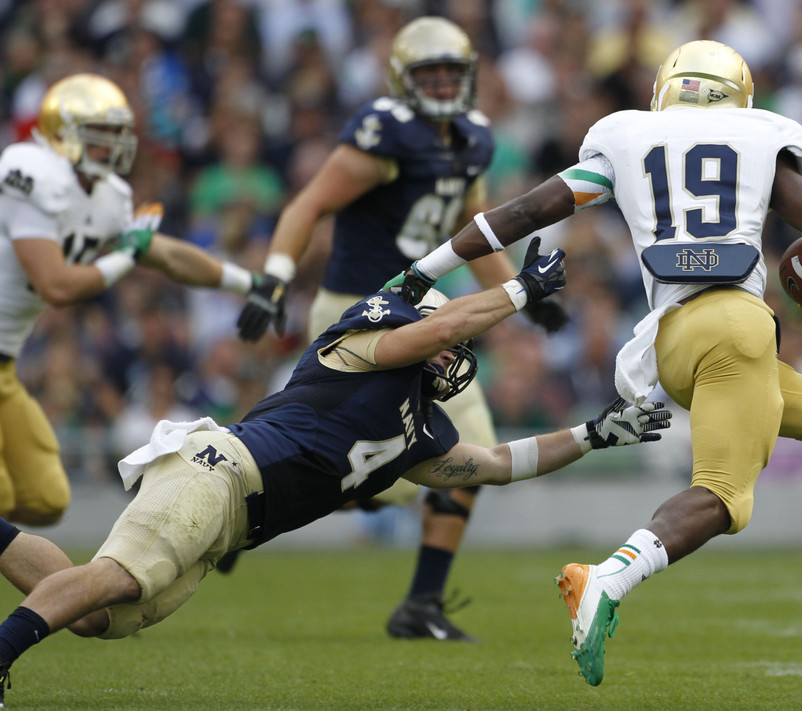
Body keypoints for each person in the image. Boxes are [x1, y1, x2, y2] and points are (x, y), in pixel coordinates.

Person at [392, 40, 802, 685]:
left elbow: (519, 214)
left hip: (674, 339)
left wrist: (418, 274)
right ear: (738, 93)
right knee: (722, 496)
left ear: (668, 87)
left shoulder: (630, 139)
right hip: (736, 327)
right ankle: (606, 579)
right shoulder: (760, 138)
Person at [0, 241, 671, 705]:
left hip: (234, 523)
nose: (453, 356)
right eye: (448, 339)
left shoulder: (422, 431)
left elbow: (497, 463)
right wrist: (519, 288)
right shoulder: (363, 347)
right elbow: (427, 334)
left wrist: (592, 434)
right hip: (219, 472)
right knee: (117, 575)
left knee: (100, 613)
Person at [234, 15, 567, 641]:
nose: (442, 83)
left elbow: (471, 224)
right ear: (402, 77)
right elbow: (309, 204)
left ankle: (417, 600)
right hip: (357, 309)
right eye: (429, 72)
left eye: (452, 71)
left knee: (425, 468)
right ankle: (244, 493)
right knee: (408, 458)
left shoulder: (473, 137)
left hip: (421, 308)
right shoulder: (384, 134)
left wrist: (517, 291)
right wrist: (274, 276)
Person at [0, 73, 269, 528]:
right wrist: (125, 256)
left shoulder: (108, 196)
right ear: (63, 136)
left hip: (5, 363)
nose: (114, 146)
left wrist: (249, 282)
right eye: (101, 136)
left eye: (117, 135)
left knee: (43, 498)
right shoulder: (31, 172)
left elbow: (167, 255)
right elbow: (57, 286)